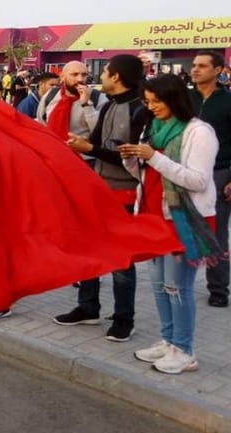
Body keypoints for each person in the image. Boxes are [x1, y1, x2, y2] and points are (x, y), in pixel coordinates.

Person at [122, 74, 221, 374]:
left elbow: (198, 180)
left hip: (183, 220)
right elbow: (147, 174)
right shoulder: (155, 128)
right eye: (148, 101)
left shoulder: (199, 132)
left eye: (157, 101)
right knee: (159, 286)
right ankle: (168, 340)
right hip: (154, 216)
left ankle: (185, 350)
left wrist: (153, 157)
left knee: (178, 287)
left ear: (175, 99)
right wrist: (131, 159)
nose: (151, 107)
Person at [61, 54, 150, 342]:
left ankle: (124, 319)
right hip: (98, 188)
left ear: (117, 77)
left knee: (121, 258)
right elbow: (97, 143)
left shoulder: (140, 109)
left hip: (125, 192)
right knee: (89, 248)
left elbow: (130, 157)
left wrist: (89, 148)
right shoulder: (110, 105)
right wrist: (80, 145)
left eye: (105, 71)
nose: (99, 76)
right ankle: (88, 307)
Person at [189, 50, 231, 308]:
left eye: (202, 66)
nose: (195, 69)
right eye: (194, 65)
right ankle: (178, 282)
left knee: (216, 233)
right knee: (181, 228)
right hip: (184, 172)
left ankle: (218, 288)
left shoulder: (227, 102)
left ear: (218, 70)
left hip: (219, 173)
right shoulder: (185, 99)